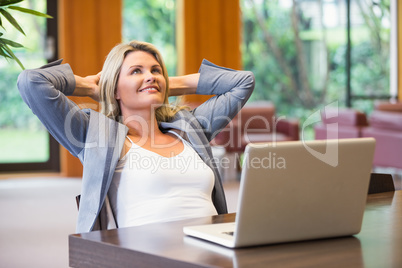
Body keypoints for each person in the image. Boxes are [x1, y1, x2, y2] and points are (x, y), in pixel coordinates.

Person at [17, 40, 255, 233]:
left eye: (156, 70)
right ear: (114, 88)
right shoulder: (97, 135)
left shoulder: (191, 129)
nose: (150, 76)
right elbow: (31, 82)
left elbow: (243, 82)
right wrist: (89, 86)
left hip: (209, 252)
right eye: (136, 71)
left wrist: (168, 83)